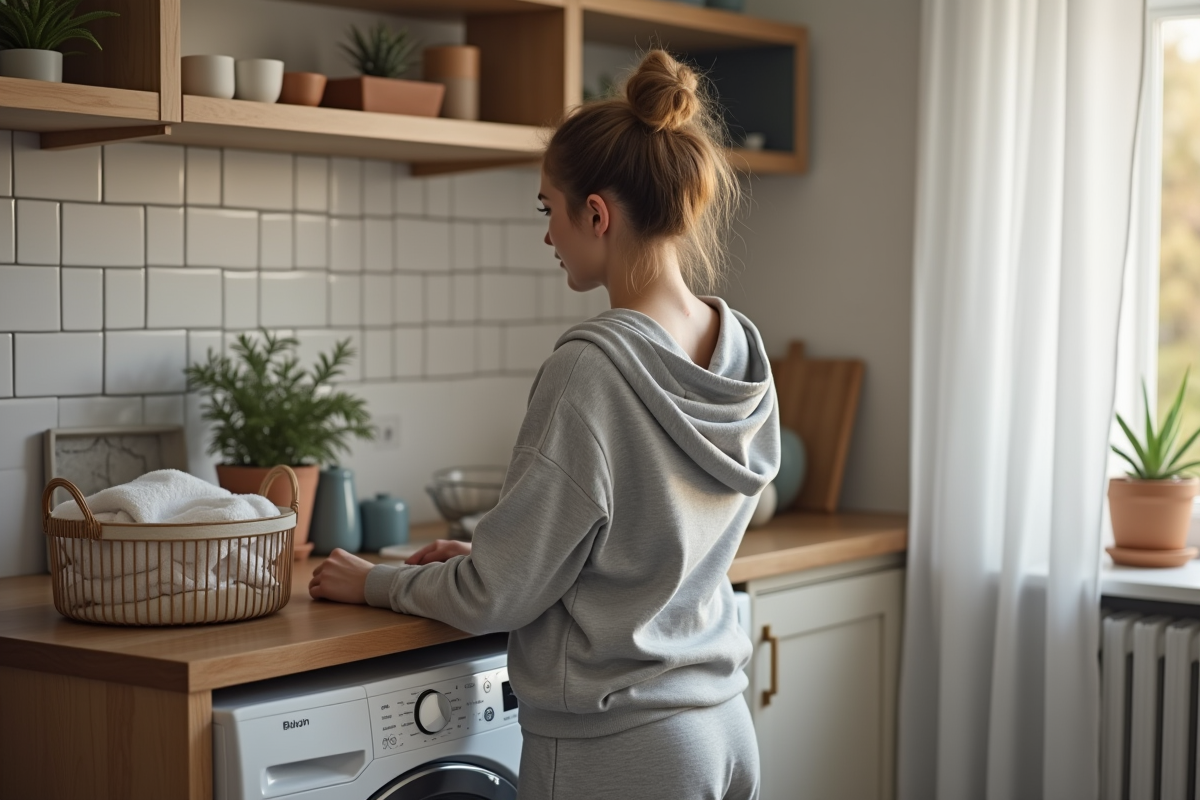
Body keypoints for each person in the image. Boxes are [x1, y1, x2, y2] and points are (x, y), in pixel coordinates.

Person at [309, 49, 780, 800]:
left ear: (596, 213)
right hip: (723, 728)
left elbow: (497, 598)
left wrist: (377, 583)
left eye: (547, 209)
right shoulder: (740, 349)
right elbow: (663, 547)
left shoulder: (590, 369)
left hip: (624, 750)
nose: (547, 235)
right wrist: (511, 552)